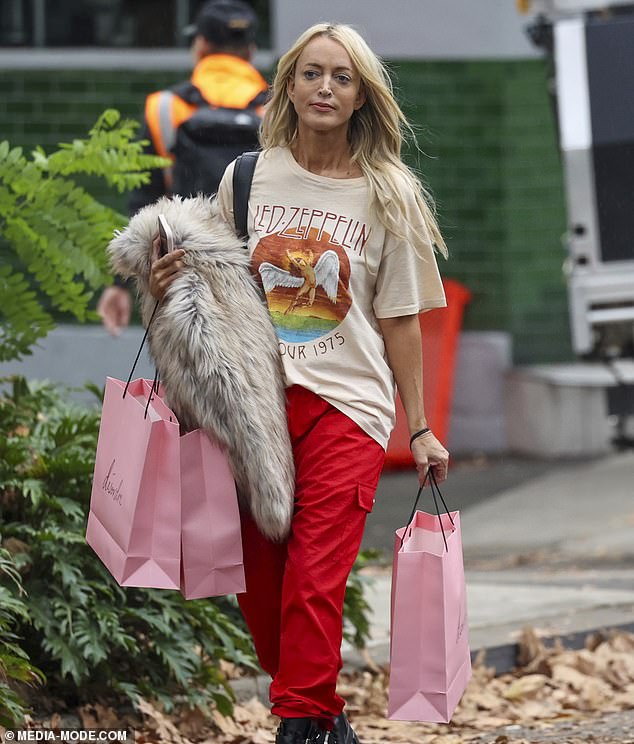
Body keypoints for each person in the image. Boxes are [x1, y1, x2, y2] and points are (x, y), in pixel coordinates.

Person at [148, 22, 450, 744]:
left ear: (360, 97)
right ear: (287, 84)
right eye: (312, 73)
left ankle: (299, 726)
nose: (324, 88)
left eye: (341, 78)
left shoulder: (390, 193)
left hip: (348, 406)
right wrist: (166, 283)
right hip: (254, 406)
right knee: (261, 587)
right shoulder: (247, 177)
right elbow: (211, 283)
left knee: (315, 578)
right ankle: (323, 716)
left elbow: (401, 318)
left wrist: (419, 424)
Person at [97, 0, 268, 336]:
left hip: (181, 277)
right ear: (251, 51)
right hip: (258, 278)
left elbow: (144, 201)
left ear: (201, 45)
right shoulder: (278, 112)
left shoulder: (164, 108)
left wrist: (119, 283)